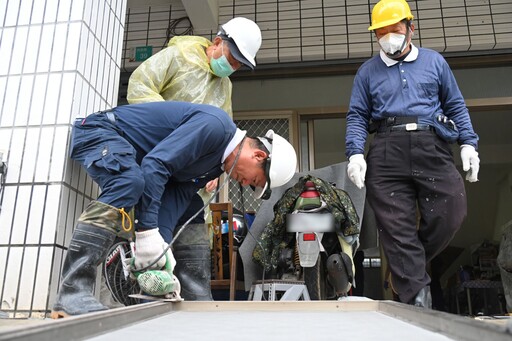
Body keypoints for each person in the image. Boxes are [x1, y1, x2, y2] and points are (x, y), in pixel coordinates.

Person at [50, 101, 297, 318]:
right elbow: (154, 165)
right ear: (258, 155)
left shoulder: (216, 164)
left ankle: (195, 296)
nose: (244, 183)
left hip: (129, 156)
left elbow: (176, 196)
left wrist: (158, 252)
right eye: (253, 180)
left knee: (193, 204)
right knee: (129, 181)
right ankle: (73, 292)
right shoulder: (215, 127)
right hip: (99, 132)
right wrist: (146, 233)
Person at [345, 0, 480, 308]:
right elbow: (356, 116)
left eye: (395, 29)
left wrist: (469, 144)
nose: (388, 36)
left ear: (410, 28)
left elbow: (455, 105)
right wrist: (355, 153)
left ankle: (407, 263)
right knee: (396, 226)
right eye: (381, 32)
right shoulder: (367, 72)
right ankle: (418, 301)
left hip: (431, 145)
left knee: (452, 211)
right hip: (386, 150)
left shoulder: (434, 62)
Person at [126, 17, 262, 301]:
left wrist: (214, 169)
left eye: (239, 65)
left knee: (191, 224)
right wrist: (181, 140)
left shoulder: (224, 86)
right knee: (151, 221)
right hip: (160, 159)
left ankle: (196, 296)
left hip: (191, 175)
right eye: (232, 58)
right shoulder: (179, 55)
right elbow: (139, 86)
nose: (233, 67)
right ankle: (146, 287)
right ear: (216, 42)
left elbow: (226, 131)